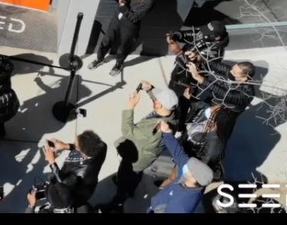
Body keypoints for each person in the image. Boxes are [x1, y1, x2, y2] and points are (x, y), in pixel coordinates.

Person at [98, 81, 178, 213]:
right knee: (136, 175)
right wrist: (150, 89)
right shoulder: (172, 114)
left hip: (134, 159)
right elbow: (160, 102)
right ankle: (130, 190)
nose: (155, 100)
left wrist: (130, 107)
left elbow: (128, 131)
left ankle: (117, 205)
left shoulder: (153, 129)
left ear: (160, 104)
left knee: (124, 182)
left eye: (156, 99)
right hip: (146, 158)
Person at [88, 0, 156, 76]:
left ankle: (119, 65)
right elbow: (123, 0)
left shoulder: (149, 0)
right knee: (106, 41)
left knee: (123, 47)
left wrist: (123, 4)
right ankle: (99, 59)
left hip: (129, 26)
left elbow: (135, 18)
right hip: (116, 20)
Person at [158, 101, 234, 188]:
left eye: (214, 111)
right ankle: (170, 180)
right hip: (186, 150)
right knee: (175, 170)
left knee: (179, 176)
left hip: (191, 161)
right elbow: (197, 107)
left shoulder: (215, 143)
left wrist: (190, 173)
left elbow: (205, 162)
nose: (211, 109)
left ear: (217, 122)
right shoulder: (208, 117)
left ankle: (171, 184)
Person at [148, 121, 214, 213]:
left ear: (194, 179)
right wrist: (167, 133)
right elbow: (179, 154)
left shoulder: (181, 207)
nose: (186, 166)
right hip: (158, 203)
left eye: (189, 169)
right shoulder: (192, 178)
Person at [42, 130, 107, 210]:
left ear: (83, 152)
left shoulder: (81, 174)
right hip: (78, 185)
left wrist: (52, 162)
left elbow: (63, 186)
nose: (73, 144)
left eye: (75, 145)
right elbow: (80, 148)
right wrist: (66, 146)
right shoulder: (101, 147)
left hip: (74, 194)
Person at [187, 59, 256, 122]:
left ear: (244, 78)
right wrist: (198, 58)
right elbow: (214, 65)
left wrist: (199, 78)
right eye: (232, 69)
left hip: (227, 112)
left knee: (209, 128)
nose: (230, 72)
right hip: (216, 101)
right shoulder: (231, 72)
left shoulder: (247, 94)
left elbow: (225, 94)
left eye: (234, 73)